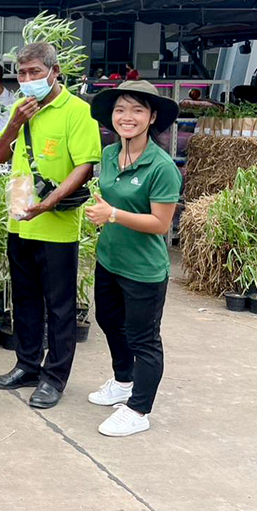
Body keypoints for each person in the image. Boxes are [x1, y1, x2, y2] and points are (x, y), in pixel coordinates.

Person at [0, 42, 102, 409]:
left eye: (34, 72)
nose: (27, 80)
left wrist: (49, 204)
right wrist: (16, 122)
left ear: (54, 72)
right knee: (24, 299)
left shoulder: (77, 111)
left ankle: (54, 376)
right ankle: (27, 365)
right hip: (20, 221)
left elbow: (84, 165)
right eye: (21, 74)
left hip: (55, 225)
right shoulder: (22, 109)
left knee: (60, 306)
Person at [84, 81, 181, 437]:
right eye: (121, 109)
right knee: (109, 321)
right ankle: (123, 380)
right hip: (110, 257)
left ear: (152, 117)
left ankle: (139, 409)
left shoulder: (162, 166)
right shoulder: (110, 154)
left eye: (138, 110)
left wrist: (112, 215)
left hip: (143, 269)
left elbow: (161, 224)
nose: (128, 117)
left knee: (144, 338)